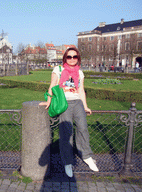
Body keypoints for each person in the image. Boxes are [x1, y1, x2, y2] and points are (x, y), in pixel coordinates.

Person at [39, 47, 99, 177]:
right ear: (65, 58)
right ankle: (68, 162)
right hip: (64, 103)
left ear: (78, 58)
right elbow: (52, 85)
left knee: (83, 128)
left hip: (77, 102)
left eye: (75, 57)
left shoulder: (80, 73)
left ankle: (86, 156)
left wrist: (86, 106)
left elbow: (81, 90)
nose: (72, 59)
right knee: (66, 133)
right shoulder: (58, 70)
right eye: (69, 57)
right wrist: (48, 100)